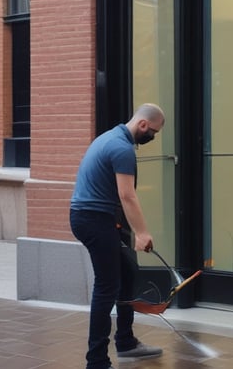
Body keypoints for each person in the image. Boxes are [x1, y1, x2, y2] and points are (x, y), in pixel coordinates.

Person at [69, 103, 165, 369]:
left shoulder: (109, 137)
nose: (152, 137)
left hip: (97, 217)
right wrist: (142, 233)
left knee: (128, 272)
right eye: (153, 132)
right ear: (143, 125)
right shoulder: (122, 148)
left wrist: (123, 227)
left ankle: (125, 341)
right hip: (94, 220)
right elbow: (127, 195)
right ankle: (97, 361)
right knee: (107, 287)